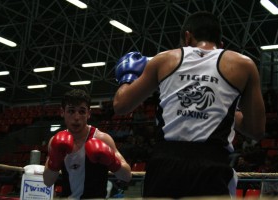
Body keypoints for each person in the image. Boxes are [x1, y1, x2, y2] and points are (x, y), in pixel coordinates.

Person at [113, 11, 266, 198]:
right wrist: (220, 107)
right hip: (213, 166)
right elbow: (256, 131)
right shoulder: (243, 64)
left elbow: (120, 105)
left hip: (165, 165)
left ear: (187, 36)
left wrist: (127, 77)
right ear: (221, 45)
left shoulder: (165, 59)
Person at [43, 89, 132, 199]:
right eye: (71, 111)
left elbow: (127, 176)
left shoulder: (102, 138)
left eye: (82, 111)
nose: (76, 117)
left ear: (88, 113)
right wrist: (55, 161)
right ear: (62, 112)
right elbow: (47, 181)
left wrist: (112, 160)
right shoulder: (55, 141)